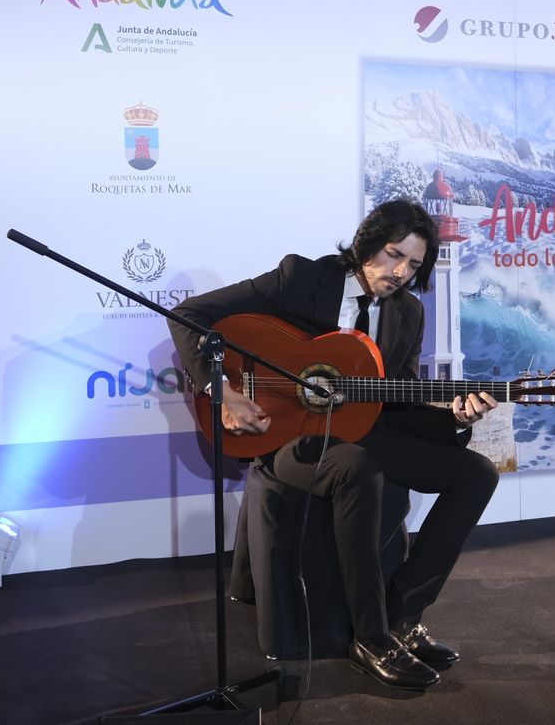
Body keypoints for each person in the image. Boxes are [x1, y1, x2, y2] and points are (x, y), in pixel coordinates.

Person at [168, 200, 500, 691]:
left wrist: (451, 416)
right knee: (358, 466)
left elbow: (398, 399)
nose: (401, 272)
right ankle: (370, 637)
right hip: (285, 436)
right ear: (367, 244)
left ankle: (403, 617)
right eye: (393, 255)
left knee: (477, 474)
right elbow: (189, 314)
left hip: (363, 431)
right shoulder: (301, 279)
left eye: (413, 264)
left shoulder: (407, 313)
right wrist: (226, 394)